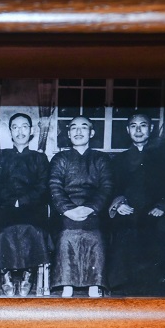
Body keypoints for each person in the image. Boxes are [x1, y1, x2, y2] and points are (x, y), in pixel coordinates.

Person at [107, 112, 165, 297]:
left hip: (157, 211)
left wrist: (164, 206)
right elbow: (112, 187)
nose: (138, 130)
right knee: (123, 231)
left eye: (143, 125)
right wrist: (119, 203)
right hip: (129, 211)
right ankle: (122, 289)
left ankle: (159, 288)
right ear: (127, 130)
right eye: (133, 126)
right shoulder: (119, 160)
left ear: (151, 128)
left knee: (164, 229)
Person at [0, 113, 53, 296]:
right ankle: (5, 275)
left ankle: (29, 274)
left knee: (33, 229)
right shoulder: (0, 156)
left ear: (31, 130)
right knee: (4, 231)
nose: (20, 131)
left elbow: (43, 186)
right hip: (6, 207)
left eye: (24, 127)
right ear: (10, 131)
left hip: (33, 208)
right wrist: (13, 201)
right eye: (15, 127)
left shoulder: (40, 158)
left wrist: (24, 200)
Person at [49, 116, 113, 298]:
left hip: (94, 211)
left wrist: (90, 208)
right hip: (64, 212)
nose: (78, 132)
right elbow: (54, 186)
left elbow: (106, 186)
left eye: (84, 127)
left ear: (91, 133)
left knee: (95, 234)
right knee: (66, 233)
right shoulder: (60, 158)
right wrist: (68, 209)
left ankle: (95, 283)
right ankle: (66, 283)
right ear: (68, 134)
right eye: (74, 128)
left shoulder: (101, 158)